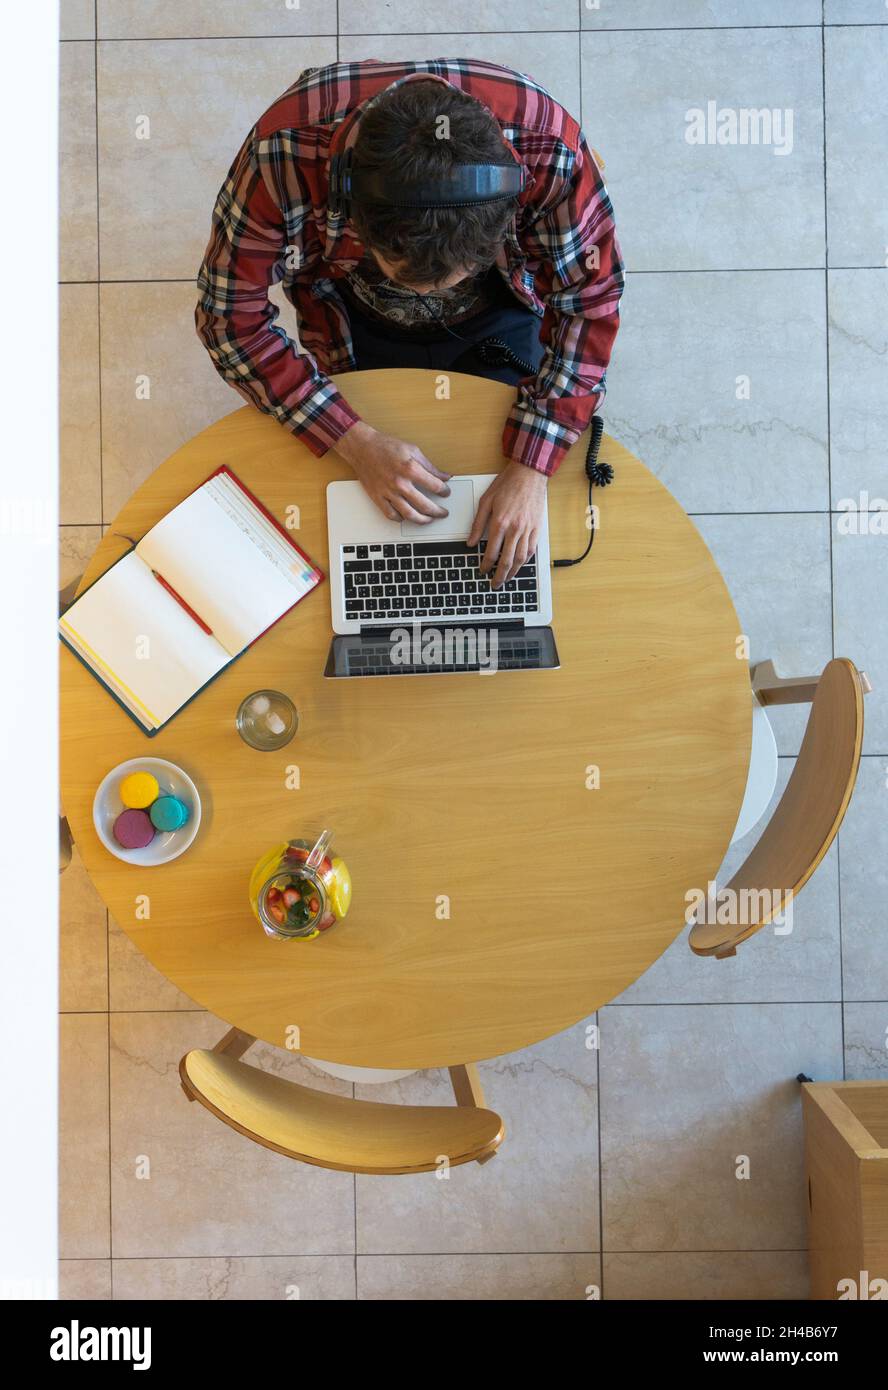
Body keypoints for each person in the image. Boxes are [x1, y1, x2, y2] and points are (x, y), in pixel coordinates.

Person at [196, 58, 624, 588]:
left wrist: (532, 467)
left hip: (501, 308)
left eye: (449, 276)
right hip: (350, 316)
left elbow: (591, 302)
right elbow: (227, 317)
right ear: (353, 214)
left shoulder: (549, 147)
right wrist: (353, 441)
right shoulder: (282, 150)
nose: (427, 294)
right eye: (407, 274)